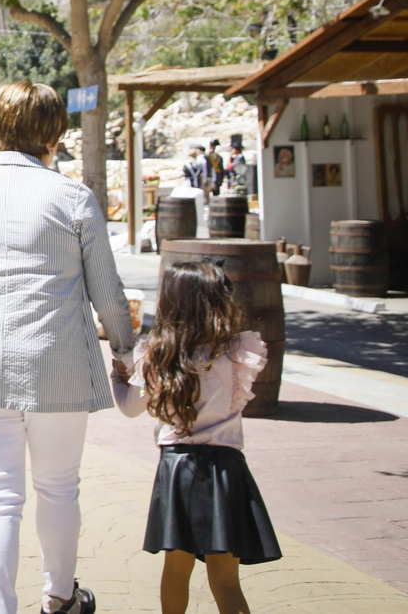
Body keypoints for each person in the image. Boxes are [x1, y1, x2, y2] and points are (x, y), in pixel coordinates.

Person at [0, 81, 135, 614]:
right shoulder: (72, 197)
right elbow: (107, 289)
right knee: (59, 487)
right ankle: (60, 596)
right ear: (54, 133)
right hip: (58, 361)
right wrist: (126, 349)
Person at [113, 261, 281, 613]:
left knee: (176, 568)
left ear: (172, 302)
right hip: (227, 469)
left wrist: (118, 377)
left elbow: (130, 408)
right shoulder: (236, 352)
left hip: (179, 470)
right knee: (225, 578)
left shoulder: (160, 354)